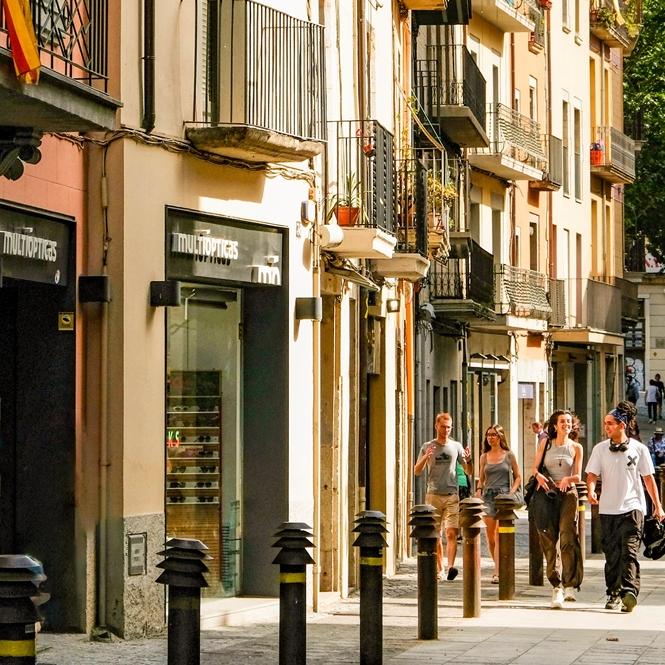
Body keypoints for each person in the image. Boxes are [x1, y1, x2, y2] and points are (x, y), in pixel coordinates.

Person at [586, 401, 665, 612]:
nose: (606, 427)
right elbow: (592, 475)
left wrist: (658, 506)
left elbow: (649, 479)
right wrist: (591, 490)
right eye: (605, 423)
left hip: (633, 508)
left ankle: (629, 592)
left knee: (629, 553)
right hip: (608, 510)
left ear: (622, 425)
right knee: (612, 555)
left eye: (610, 423)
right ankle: (613, 593)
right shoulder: (600, 449)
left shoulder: (639, 449)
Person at [529, 409, 584, 608]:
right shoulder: (545, 443)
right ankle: (556, 585)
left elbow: (578, 476)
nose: (566, 425)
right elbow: (534, 468)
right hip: (546, 494)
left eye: (569, 422)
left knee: (568, 537)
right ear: (554, 425)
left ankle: (569, 584)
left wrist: (569, 479)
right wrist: (539, 476)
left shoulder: (576, 447)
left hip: (568, 494)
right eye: (562, 421)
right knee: (548, 538)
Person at [414, 412, 472, 581]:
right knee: (436, 533)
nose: (446, 430)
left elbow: (469, 471)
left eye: (448, 427)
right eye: (443, 427)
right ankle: (439, 568)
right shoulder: (428, 446)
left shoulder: (456, 446)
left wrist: (468, 461)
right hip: (433, 494)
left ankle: (450, 567)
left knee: (452, 532)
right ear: (436, 426)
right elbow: (416, 471)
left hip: (452, 494)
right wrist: (426, 457)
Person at [475, 424, 521, 584]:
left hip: (503, 497)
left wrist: (511, 492)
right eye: (488, 435)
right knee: (490, 536)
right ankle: (497, 563)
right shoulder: (484, 456)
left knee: (499, 535)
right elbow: (481, 478)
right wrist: (479, 489)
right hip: (488, 496)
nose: (490, 437)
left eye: (493, 434)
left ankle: (497, 571)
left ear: (500, 436)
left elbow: (518, 476)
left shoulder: (509, 455)